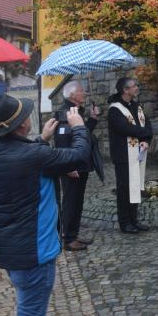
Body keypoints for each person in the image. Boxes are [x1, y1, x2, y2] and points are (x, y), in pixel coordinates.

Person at [0, 94, 90, 316]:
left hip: (12, 250)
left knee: (27, 305)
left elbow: (24, 165)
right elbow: (79, 155)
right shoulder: (34, 156)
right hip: (36, 252)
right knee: (32, 314)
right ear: (22, 124)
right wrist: (79, 127)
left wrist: (41, 139)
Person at [54, 80, 100, 251]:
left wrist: (93, 119)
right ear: (72, 95)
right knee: (71, 201)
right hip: (72, 167)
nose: (85, 93)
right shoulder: (64, 113)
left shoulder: (76, 111)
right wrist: (68, 166)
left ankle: (74, 234)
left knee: (78, 201)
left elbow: (83, 134)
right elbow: (62, 141)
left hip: (80, 165)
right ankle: (68, 238)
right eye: (82, 91)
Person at [107, 77, 153, 233]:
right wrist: (145, 132)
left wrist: (146, 140)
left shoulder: (136, 106)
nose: (137, 88)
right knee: (125, 188)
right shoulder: (115, 110)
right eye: (134, 86)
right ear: (125, 90)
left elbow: (147, 124)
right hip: (123, 156)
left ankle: (134, 220)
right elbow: (125, 128)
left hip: (138, 153)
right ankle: (125, 222)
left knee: (136, 186)